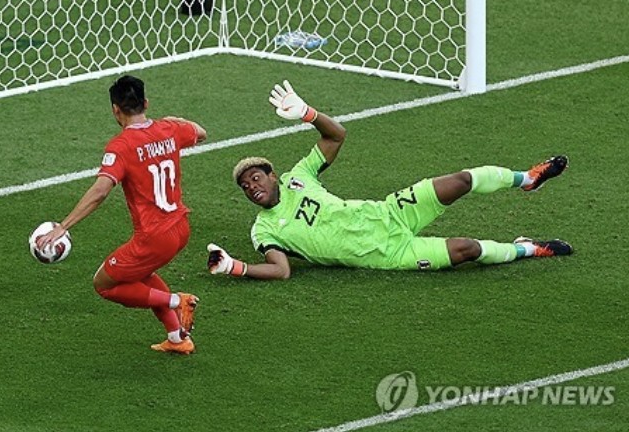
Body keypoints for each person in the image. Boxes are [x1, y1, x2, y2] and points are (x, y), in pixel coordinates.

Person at [206, 80, 572, 280]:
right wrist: (234, 267)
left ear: (272, 175)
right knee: (468, 250)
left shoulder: (298, 176)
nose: (252, 187)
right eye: (245, 187)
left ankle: (527, 179)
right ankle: (529, 248)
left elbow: (336, 136)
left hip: (389, 212)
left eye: (256, 178)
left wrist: (307, 113)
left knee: (460, 181)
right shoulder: (264, 230)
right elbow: (281, 270)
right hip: (388, 254)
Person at [38, 75, 207, 354]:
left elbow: (101, 191)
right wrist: (172, 121)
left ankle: (178, 301)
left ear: (116, 110)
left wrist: (63, 226)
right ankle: (177, 338)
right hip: (180, 228)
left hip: (153, 237)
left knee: (104, 284)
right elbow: (200, 132)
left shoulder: (121, 146)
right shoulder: (169, 129)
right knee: (140, 276)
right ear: (146, 103)